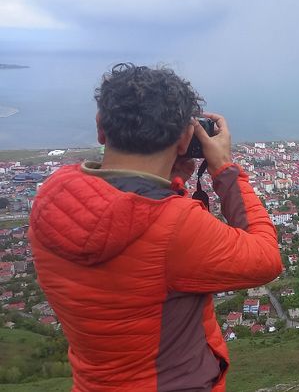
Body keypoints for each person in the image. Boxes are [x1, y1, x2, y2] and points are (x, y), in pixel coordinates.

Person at [29, 63, 283, 391]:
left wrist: (166, 182)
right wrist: (224, 169)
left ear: (100, 128)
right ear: (184, 138)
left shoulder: (51, 199)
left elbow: (124, 215)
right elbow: (266, 257)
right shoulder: (173, 227)